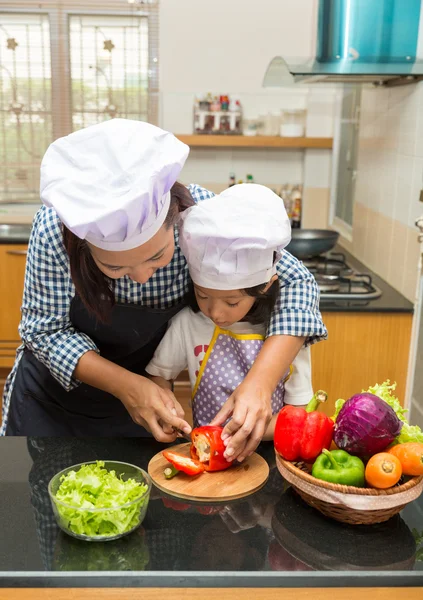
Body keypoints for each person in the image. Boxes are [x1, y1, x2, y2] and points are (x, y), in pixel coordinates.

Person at [1, 118, 327, 460]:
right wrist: (128, 386)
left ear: (175, 219)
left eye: (157, 257)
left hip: (145, 405)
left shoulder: (202, 216)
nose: (141, 277)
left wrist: (260, 383)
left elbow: (298, 282)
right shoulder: (56, 229)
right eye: (115, 268)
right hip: (52, 405)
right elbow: (44, 332)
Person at [146, 185, 315, 458]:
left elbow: (300, 412)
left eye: (232, 302)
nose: (216, 313)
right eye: (203, 295)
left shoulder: (287, 334)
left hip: (272, 456)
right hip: (205, 454)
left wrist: (242, 433)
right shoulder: (188, 323)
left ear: (265, 287)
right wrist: (168, 410)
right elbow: (159, 375)